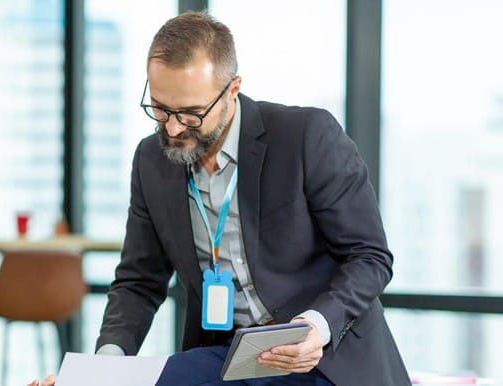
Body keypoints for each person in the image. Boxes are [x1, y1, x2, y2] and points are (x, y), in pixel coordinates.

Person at [95, 11, 410, 385]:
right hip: (229, 356)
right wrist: (105, 367)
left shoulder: (306, 137)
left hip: (322, 355)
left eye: (192, 114)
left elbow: (370, 256)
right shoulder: (151, 160)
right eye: (161, 109)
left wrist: (317, 326)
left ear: (232, 89)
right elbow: (139, 280)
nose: (174, 128)